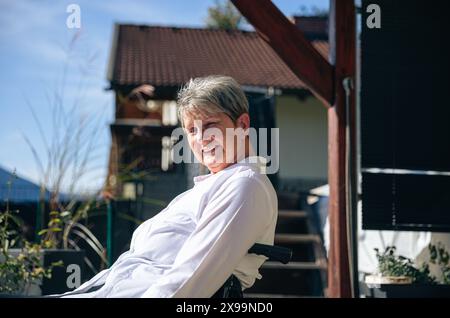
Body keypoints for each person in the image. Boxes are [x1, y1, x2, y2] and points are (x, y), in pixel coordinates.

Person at [58, 75, 278, 298]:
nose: (202, 138)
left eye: (210, 125)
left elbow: (189, 277)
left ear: (242, 125)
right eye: (192, 130)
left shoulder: (245, 183)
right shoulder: (207, 187)